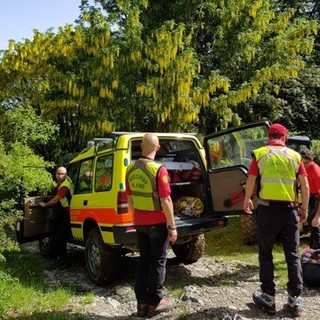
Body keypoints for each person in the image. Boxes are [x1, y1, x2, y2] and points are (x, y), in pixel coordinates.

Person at [243, 123, 309, 318]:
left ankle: (268, 297)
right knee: (292, 255)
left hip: (267, 210)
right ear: (285, 138)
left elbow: (251, 179)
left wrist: (247, 199)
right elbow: (304, 185)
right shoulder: (295, 156)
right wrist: (304, 208)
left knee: (265, 253)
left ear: (268, 137)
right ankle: (295, 299)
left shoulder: (260, 153)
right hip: (290, 211)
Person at [125, 133, 177, 318]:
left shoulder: (130, 169)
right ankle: (155, 302)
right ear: (158, 147)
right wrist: (172, 227)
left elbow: (129, 198)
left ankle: (141, 304)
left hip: (140, 223)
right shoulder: (159, 169)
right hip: (157, 224)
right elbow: (166, 200)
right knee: (158, 261)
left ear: (141, 146)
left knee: (144, 260)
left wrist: (135, 218)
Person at [39, 166, 73, 263]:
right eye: (58, 173)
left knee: (61, 236)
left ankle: (63, 260)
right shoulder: (65, 182)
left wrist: (45, 204)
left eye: (62, 174)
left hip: (69, 212)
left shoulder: (64, 185)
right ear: (56, 174)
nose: (60, 176)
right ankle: (60, 257)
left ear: (66, 174)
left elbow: (55, 199)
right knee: (60, 234)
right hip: (67, 210)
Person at [300, 148, 320, 249]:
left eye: (306, 163)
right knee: (312, 224)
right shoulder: (301, 167)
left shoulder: (315, 171)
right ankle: (313, 251)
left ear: (311, 160)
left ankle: (317, 251)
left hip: (317, 197)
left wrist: (318, 216)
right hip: (310, 196)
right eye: (301, 163)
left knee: (315, 223)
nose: (303, 165)